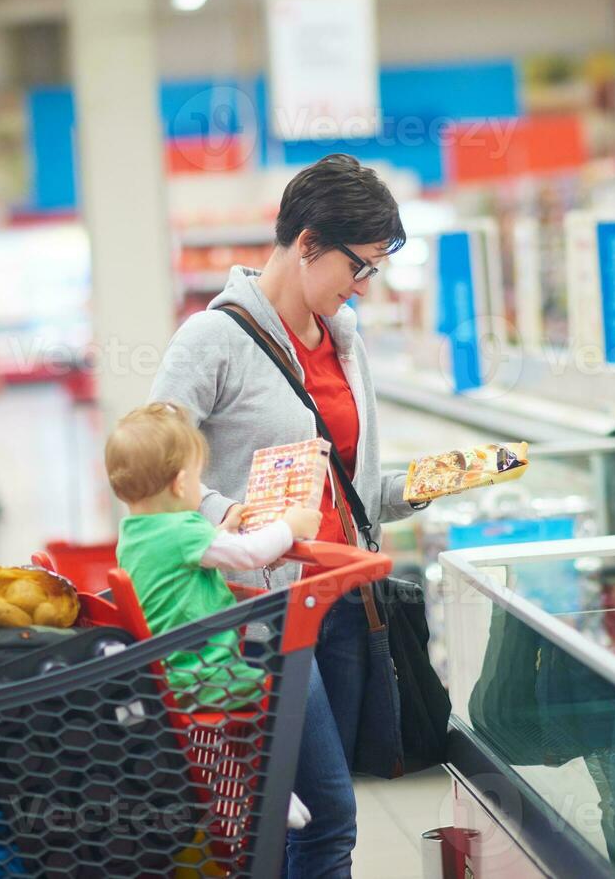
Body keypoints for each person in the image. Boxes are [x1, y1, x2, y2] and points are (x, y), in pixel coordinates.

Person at [150, 154, 424, 878]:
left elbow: (344, 484)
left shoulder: (345, 339)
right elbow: (147, 469)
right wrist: (234, 516)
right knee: (324, 816)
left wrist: (420, 488)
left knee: (298, 813)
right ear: (306, 243)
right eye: (357, 267)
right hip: (261, 616)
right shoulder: (211, 339)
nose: (362, 285)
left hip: (340, 603)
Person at [105, 401, 319, 830]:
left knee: (250, 698)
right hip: (203, 673)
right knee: (280, 684)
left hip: (166, 672)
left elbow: (186, 558)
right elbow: (250, 554)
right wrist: (291, 525)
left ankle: (248, 786)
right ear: (183, 482)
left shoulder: (134, 534)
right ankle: (272, 788)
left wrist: (219, 531)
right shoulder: (185, 530)